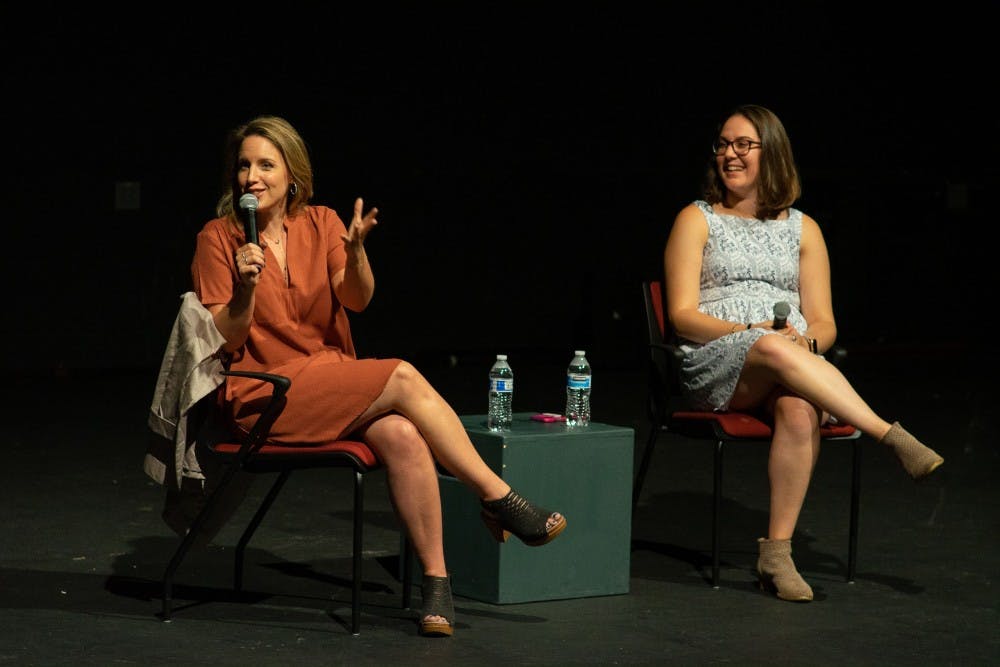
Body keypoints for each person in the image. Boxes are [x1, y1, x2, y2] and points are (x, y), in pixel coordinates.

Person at [190, 114, 566, 636]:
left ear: (292, 173)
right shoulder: (219, 237)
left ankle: (437, 586)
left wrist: (357, 252)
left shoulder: (321, 222)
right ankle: (498, 497)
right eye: (244, 166)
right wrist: (246, 289)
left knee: (404, 434)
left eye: (266, 164)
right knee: (404, 376)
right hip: (263, 394)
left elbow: (357, 299)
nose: (252, 176)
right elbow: (223, 338)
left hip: (329, 381)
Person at [662, 104, 943, 603]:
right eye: (723, 144)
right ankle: (887, 434)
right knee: (771, 342)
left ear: (772, 153)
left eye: (743, 145)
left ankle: (777, 553)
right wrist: (749, 330)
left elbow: (825, 322)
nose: (730, 154)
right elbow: (682, 315)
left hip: (788, 360)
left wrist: (805, 343)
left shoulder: (804, 229)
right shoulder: (696, 218)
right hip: (715, 359)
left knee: (799, 409)